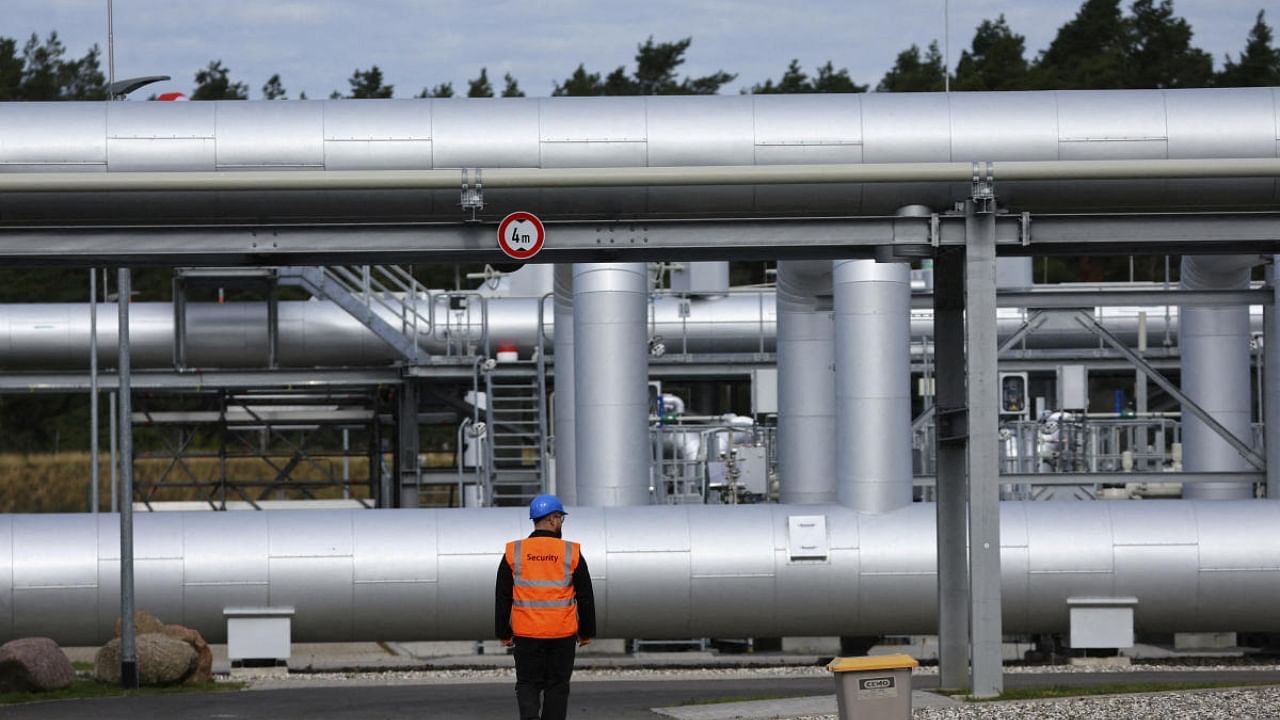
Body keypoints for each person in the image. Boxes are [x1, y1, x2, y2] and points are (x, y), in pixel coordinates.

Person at [495, 494, 596, 720]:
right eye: (560, 519)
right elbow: (586, 596)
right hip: (562, 634)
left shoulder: (514, 552)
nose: (561, 524)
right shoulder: (571, 552)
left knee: (528, 684)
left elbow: (502, 596)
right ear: (552, 519)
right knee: (557, 687)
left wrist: (503, 632)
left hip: (527, 634)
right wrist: (586, 631)